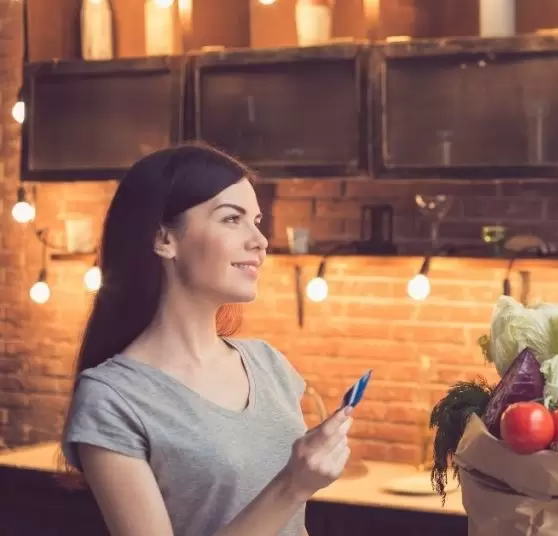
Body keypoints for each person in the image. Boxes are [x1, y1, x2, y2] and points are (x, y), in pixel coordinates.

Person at [59, 143, 353, 536]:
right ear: (164, 239)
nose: (260, 240)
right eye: (232, 219)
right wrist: (291, 486)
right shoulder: (113, 399)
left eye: (257, 220)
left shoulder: (269, 365)